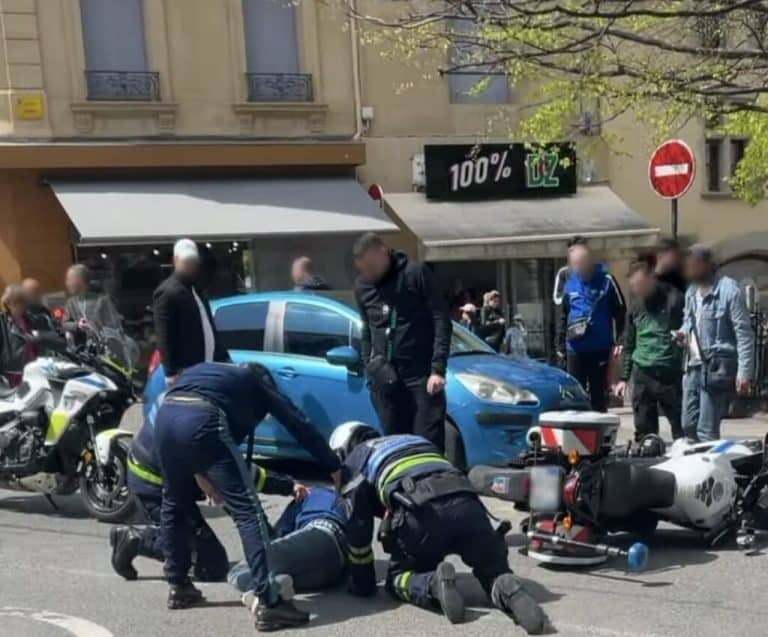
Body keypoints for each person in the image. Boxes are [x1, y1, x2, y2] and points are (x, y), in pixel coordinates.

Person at [153, 362, 341, 631]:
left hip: (165, 417)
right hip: (202, 419)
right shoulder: (255, 383)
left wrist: (202, 471)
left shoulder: (215, 377)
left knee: (173, 503)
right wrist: (333, 467)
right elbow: (298, 423)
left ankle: (178, 585)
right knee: (248, 512)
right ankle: (270, 603)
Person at [331, 422, 547, 634]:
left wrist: (361, 582)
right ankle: (504, 585)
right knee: (491, 569)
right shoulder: (412, 440)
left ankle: (432, 585)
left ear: (343, 449)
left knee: (398, 578)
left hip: (423, 513)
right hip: (469, 505)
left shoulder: (356, 459)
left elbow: (358, 527)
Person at [353, 233, 451, 452]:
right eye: (363, 270)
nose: (369, 274)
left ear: (383, 252)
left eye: (372, 267)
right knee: (396, 447)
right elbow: (366, 328)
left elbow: (440, 319)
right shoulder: (362, 286)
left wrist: (438, 369)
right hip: (386, 379)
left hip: (421, 376)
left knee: (426, 446)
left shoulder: (415, 274)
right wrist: (369, 366)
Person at [674, 245, 754, 441]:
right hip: (693, 365)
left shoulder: (729, 291)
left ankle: (709, 458)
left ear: (707, 265)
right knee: (688, 424)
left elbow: (744, 334)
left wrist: (744, 372)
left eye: (694, 265)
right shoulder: (692, 292)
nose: (690, 270)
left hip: (717, 366)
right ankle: (694, 457)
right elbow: (688, 321)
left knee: (706, 429)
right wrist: (682, 333)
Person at [228, 486, 348, 596]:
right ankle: (273, 588)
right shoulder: (343, 504)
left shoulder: (308, 495)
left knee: (238, 571)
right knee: (282, 576)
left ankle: (266, 592)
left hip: (321, 536)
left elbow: (276, 535)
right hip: (336, 568)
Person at [614, 259, 685, 441]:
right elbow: (629, 343)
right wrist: (624, 378)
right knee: (644, 431)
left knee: (681, 427)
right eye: (635, 287)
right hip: (642, 373)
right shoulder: (635, 306)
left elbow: (689, 328)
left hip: (669, 371)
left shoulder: (675, 299)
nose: (638, 291)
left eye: (641, 286)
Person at [557, 237, 626, 411]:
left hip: (600, 347)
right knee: (576, 398)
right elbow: (563, 316)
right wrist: (559, 347)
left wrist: (620, 340)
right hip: (575, 349)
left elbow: (621, 312)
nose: (578, 267)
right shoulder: (569, 282)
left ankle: (599, 426)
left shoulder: (607, 280)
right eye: (575, 263)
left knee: (598, 398)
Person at [153, 239, 229, 387]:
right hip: (187, 371)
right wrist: (170, 373)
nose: (190, 265)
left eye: (192, 261)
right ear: (175, 260)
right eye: (186, 261)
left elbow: (209, 328)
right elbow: (164, 335)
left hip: (209, 367)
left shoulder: (198, 290)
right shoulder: (168, 292)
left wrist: (224, 358)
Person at [62, 264, 123, 346]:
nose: (67, 283)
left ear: (79, 280)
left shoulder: (102, 301)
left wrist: (97, 329)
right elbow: (65, 324)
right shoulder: (71, 303)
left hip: (104, 346)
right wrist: (78, 325)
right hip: (82, 347)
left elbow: (114, 327)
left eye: (69, 279)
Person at [0, 285, 37, 386]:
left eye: (24, 302)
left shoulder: (31, 319)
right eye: (19, 303)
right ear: (8, 304)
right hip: (11, 376)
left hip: (34, 371)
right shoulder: (2, 322)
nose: (23, 306)